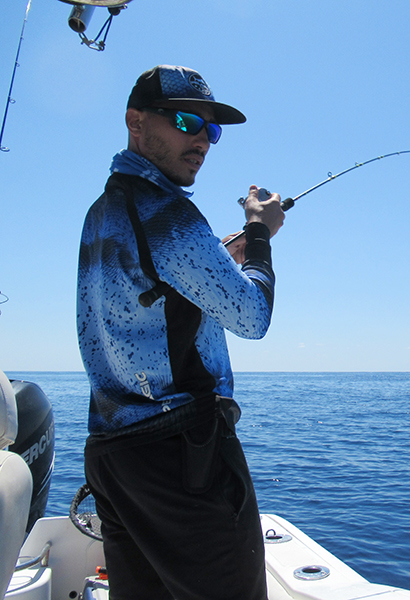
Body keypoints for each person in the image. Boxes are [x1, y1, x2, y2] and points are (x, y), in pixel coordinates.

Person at [77, 65, 284, 600]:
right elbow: (252, 317)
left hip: (113, 457)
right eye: (187, 121)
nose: (203, 140)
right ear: (136, 122)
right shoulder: (170, 213)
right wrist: (259, 238)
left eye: (211, 130)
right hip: (182, 456)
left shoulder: (104, 211)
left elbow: (146, 298)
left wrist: (217, 258)